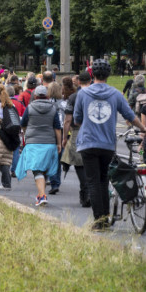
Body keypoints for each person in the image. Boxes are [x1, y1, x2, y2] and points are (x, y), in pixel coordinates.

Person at [73, 59, 146, 231]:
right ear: (108, 75)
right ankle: (106, 217)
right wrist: (144, 128)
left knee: (92, 181)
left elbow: (77, 119)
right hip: (107, 144)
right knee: (103, 180)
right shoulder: (115, 94)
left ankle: (99, 221)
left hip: (88, 142)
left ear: (92, 74)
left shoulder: (83, 94)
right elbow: (130, 116)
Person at [17, 85, 62, 206]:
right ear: (47, 96)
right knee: (43, 169)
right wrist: (59, 143)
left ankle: (42, 196)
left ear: (35, 96)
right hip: (49, 142)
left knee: (37, 170)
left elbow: (23, 123)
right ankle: (41, 193)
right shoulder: (53, 109)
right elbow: (57, 128)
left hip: (33, 143)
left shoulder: (30, 108)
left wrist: (26, 135)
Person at [62, 72, 92, 207]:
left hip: (77, 131)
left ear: (78, 82)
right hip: (95, 132)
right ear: (90, 81)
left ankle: (85, 191)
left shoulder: (74, 97)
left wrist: (64, 138)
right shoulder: (96, 95)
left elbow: (67, 120)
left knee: (79, 163)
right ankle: (92, 191)